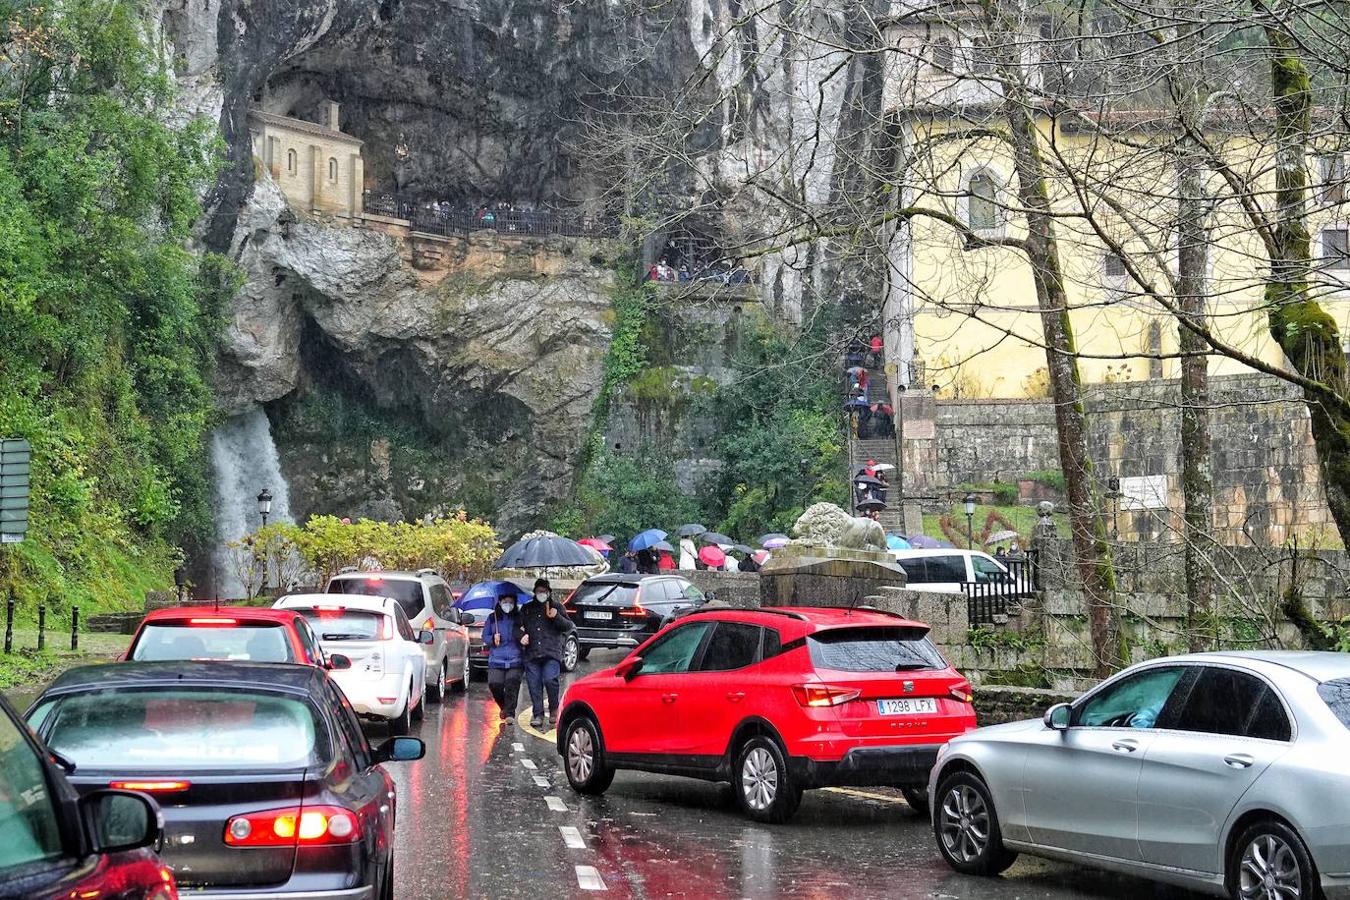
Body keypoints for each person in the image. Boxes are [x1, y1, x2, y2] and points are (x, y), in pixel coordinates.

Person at [519, 579, 573, 729]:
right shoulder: (527, 608)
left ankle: (554, 708)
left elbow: (568, 626)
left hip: (551, 652)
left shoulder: (557, 607)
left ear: (549, 593)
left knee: (550, 680)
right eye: (538, 592)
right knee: (533, 683)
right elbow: (517, 626)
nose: (541, 594)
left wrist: (556, 616)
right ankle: (537, 713)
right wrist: (520, 636)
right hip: (532, 653)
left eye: (544, 592)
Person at [479, 590, 524, 722]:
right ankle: (504, 706)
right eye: (505, 602)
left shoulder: (519, 618)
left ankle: (510, 713)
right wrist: (493, 639)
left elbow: (526, 632)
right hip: (496, 659)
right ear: (499, 602)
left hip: (516, 659)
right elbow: (484, 636)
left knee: (512, 684)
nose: (508, 605)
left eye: (511, 602)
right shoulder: (492, 618)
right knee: (495, 684)